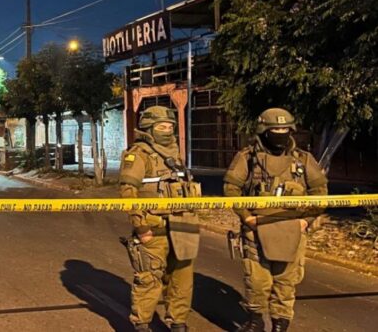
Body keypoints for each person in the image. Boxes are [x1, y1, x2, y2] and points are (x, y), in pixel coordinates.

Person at [223, 108, 328, 332]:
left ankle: (280, 323)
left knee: (286, 283)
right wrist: (247, 217)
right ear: (263, 130)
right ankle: (255, 320)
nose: (280, 133)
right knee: (257, 282)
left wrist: (306, 221)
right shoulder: (247, 158)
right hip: (256, 230)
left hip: (293, 231)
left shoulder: (303, 160)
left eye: (284, 129)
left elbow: (321, 192)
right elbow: (231, 188)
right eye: (275, 129)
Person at [118, 106, 201, 332]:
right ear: (148, 128)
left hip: (182, 225)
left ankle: (178, 322)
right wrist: (140, 226)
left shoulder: (175, 153)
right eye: (161, 127)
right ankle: (142, 324)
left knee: (182, 280)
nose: (167, 130)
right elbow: (127, 192)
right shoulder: (138, 154)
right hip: (153, 228)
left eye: (170, 126)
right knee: (149, 279)